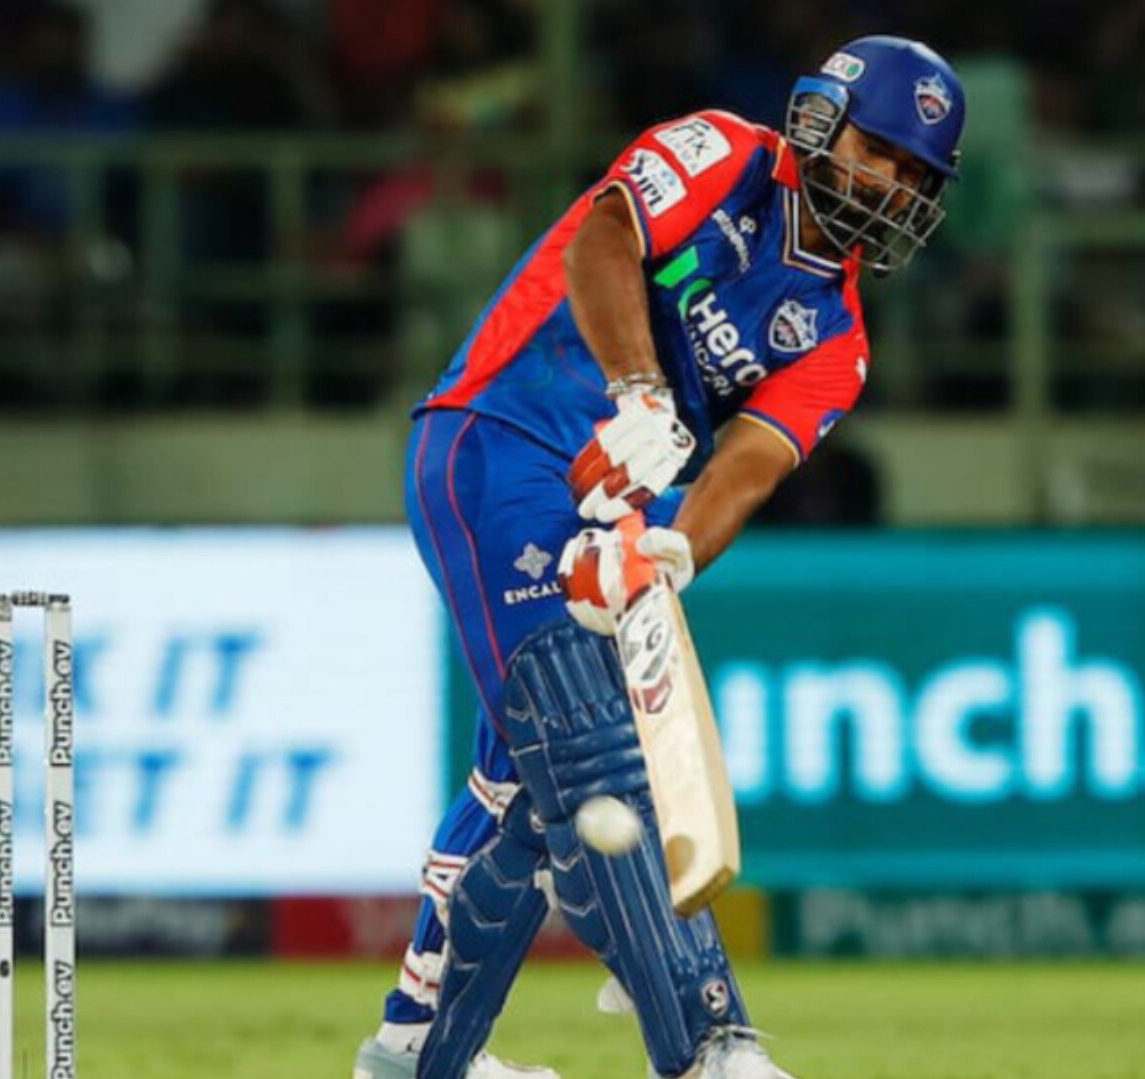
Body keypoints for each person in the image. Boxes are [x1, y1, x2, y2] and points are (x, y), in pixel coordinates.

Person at [357, 36, 966, 1079]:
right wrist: (639, 388)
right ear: (820, 122)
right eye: (877, 151)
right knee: (595, 752)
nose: (889, 185)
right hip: (499, 439)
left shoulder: (839, 341)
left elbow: (747, 467)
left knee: (521, 791)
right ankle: (707, 1041)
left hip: (606, 513)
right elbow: (602, 239)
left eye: (914, 174)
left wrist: (669, 555)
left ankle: (417, 1053)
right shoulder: (723, 152)